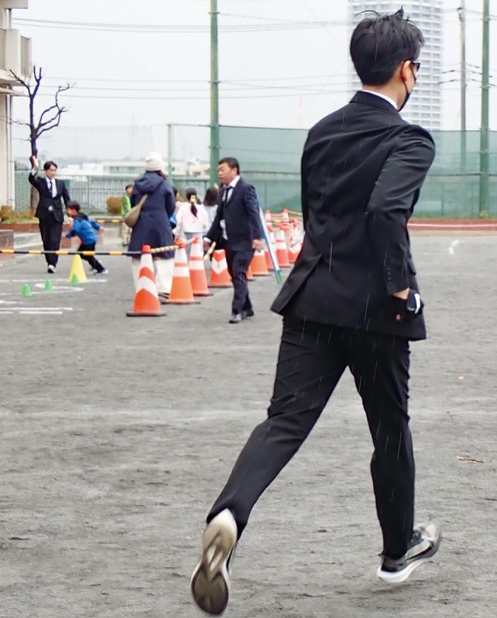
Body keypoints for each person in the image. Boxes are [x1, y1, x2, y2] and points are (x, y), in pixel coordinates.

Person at [190, 11, 440, 615]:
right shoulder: (409, 138)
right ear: (406, 70)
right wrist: (401, 287)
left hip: (311, 298)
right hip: (376, 311)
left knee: (283, 422)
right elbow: (385, 213)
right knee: (389, 430)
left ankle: (229, 512)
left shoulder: (322, 132)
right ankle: (395, 550)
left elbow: (319, 216)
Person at [204, 158, 265, 324]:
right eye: (219, 170)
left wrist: (258, 238)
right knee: (235, 274)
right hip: (228, 240)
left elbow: (254, 213)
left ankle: (236, 311)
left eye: (223, 169)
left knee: (238, 273)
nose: (220, 173)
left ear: (234, 170)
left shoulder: (246, 189)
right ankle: (247, 307)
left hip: (245, 241)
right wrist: (209, 237)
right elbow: (219, 216)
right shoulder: (223, 191)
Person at [127, 153, 176, 298]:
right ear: (160, 167)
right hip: (160, 222)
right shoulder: (165, 184)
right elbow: (171, 206)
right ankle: (164, 288)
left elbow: (133, 203)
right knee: (164, 255)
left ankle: (142, 287)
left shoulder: (137, 184)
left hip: (141, 223)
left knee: (138, 257)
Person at [28, 156, 70, 274]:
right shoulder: (41, 182)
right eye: (51, 170)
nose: (53, 172)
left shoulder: (61, 184)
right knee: (46, 240)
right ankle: (49, 261)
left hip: (57, 215)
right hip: (44, 215)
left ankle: (53, 263)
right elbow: (31, 179)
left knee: (55, 240)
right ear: (46, 171)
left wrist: (71, 214)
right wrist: (35, 168)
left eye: (54, 170)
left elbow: (67, 199)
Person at [63, 201, 107, 275]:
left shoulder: (77, 220)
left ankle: (101, 269)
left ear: (73, 210)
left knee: (87, 256)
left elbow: (76, 230)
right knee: (81, 253)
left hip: (89, 240)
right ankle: (95, 263)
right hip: (90, 239)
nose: (67, 211)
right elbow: (91, 222)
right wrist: (99, 227)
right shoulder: (82, 216)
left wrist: (67, 235)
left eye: (68, 209)